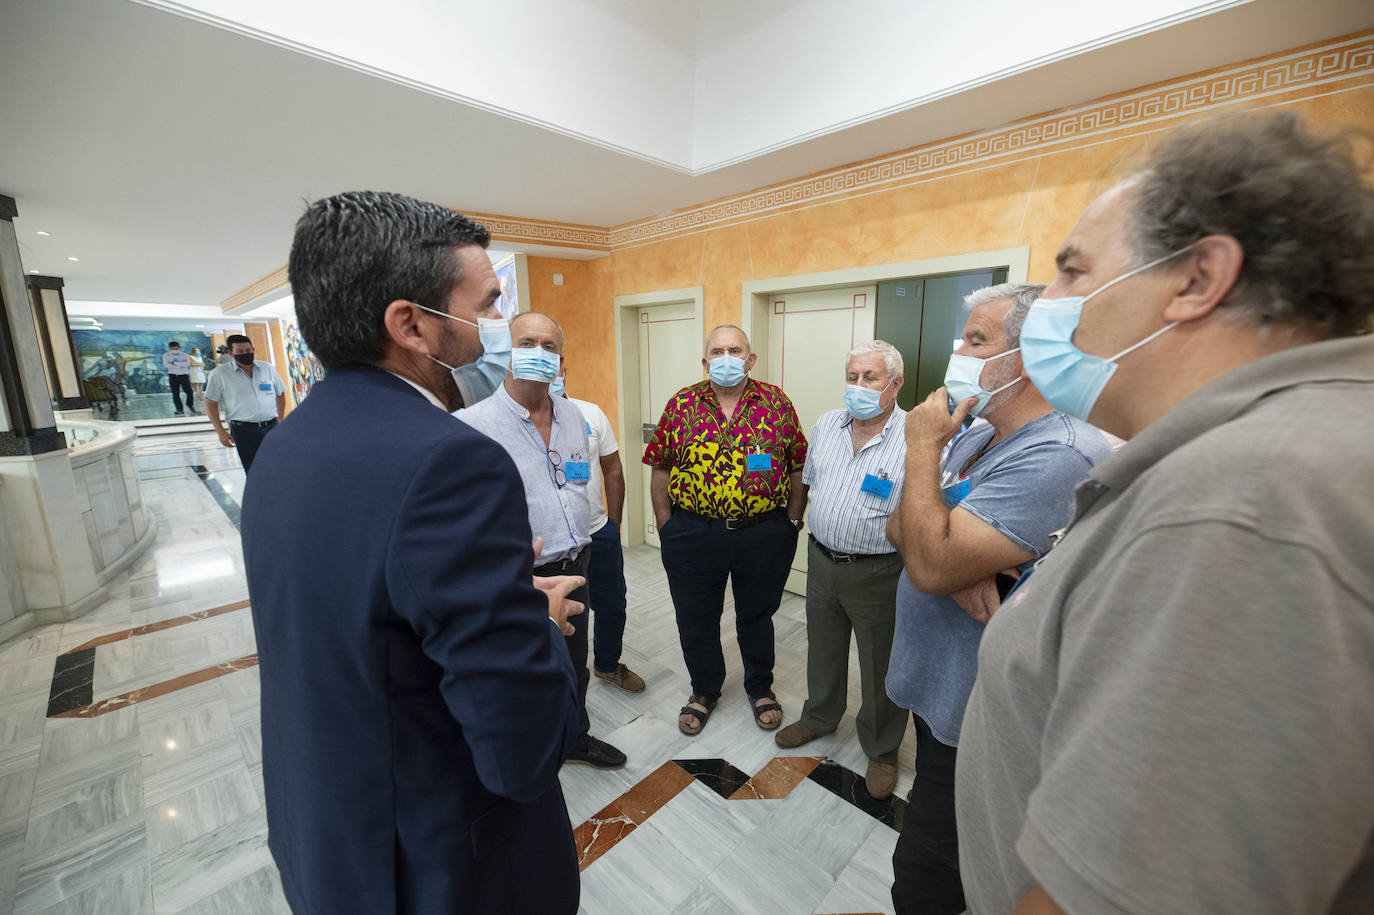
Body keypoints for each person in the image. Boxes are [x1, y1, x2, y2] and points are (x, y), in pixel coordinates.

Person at [956, 112, 1374, 915]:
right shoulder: (1267, 451)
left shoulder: (1241, 503)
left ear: (1196, 279)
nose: (1049, 300)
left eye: (1073, 270)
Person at [241, 191, 584, 914]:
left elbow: (363, 616)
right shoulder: (450, 461)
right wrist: (537, 620)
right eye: (488, 305)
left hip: (332, 832)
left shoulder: (281, 446)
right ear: (411, 324)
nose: (498, 326)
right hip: (443, 864)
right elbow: (518, 751)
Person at [884, 284, 1112, 915]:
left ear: (1031, 356)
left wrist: (920, 451)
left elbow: (926, 556)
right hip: (939, 686)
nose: (959, 351)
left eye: (977, 340)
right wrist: (953, 560)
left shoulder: (1060, 452)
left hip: (981, 705)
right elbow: (900, 530)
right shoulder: (973, 432)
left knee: (933, 872)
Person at [456, 313, 628, 769]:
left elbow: (579, 479)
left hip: (577, 562)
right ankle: (522, 754)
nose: (539, 353)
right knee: (519, 671)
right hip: (517, 576)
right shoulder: (472, 426)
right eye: (527, 342)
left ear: (561, 360)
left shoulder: (575, 416)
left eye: (549, 346)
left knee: (574, 661)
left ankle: (575, 737)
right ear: (504, 355)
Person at [644, 324, 808, 735]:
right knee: (696, 617)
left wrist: (792, 520)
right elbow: (661, 466)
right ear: (705, 361)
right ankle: (704, 689)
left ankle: (760, 686)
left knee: (757, 616)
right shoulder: (681, 403)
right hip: (693, 533)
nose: (726, 358)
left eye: (735, 350)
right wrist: (666, 527)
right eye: (717, 351)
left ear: (750, 359)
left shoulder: (776, 403)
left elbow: (797, 465)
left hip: (764, 533)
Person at [774, 340, 910, 800]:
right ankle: (818, 717)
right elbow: (809, 481)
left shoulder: (915, 436)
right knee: (824, 648)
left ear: (895, 383)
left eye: (870, 378)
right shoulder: (828, 424)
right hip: (823, 559)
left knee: (880, 661)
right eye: (852, 377)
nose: (858, 387)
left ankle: (882, 746)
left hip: (879, 571)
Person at [555, 365, 645, 693]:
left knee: (611, 605)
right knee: (565, 612)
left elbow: (613, 470)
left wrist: (614, 524)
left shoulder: (590, 414)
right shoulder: (514, 422)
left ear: (564, 368)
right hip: (551, 544)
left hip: (598, 531)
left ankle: (607, 665)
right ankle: (565, 680)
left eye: (551, 353)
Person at [204, 334, 287, 473]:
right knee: (254, 470)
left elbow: (280, 394)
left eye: (248, 350)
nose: (245, 354)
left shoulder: (267, 368)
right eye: (240, 351)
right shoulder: (219, 374)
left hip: (271, 427)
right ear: (230, 353)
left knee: (279, 466)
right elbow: (211, 404)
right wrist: (221, 432)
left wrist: (280, 417)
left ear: (253, 349)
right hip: (244, 431)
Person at [162, 340, 194, 414]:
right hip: (173, 375)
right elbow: (166, 365)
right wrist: (180, 363)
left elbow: (186, 364)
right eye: (173, 349)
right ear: (170, 348)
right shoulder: (166, 355)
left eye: (176, 349)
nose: (175, 350)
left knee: (189, 392)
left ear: (179, 347)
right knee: (175, 393)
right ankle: (179, 409)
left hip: (184, 375)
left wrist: (174, 363)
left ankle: (190, 405)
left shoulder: (185, 355)